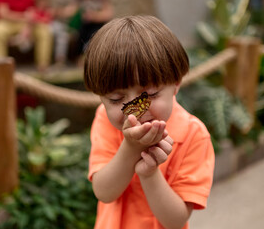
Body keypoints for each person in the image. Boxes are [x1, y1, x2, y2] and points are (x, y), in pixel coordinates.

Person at [83, 15, 215, 229]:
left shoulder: (193, 134)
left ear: (176, 84)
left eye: (150, 94)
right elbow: (104, 192)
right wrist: (130, 148)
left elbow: (176, 220)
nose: (134, 110)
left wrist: (149, 172)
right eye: (116, 99)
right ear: (100, 97)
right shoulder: (105, 119)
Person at [0, 0, 53, 72]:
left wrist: (28, 26)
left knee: (44, 31)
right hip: (8, 22)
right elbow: (3, 13)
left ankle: (43, 65)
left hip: (26, 23)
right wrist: (23, 16)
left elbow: (33, 12)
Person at [60, 0, 113, 65]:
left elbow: (108, 14)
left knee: (93, 37)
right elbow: (71, 9)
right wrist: (61, 12)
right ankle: (80, 59)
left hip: (98, 26)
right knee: (79, 36)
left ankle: (90, 59)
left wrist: (94, 16)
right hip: (84, 26)